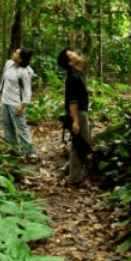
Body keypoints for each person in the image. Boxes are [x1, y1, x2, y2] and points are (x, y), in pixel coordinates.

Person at [57, 48, 90, 185]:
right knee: (80, 145)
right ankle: (75, 179)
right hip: (78, 113)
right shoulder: (73, 77)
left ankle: (68, 168)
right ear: (69, 62)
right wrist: (76, 121)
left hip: (81, 112)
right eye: (71, 54)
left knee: (79, 143)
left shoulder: (77, 73)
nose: (76, 53)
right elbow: (73, 102)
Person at [0, 47, 37, 162]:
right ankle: (13, 150)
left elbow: (27, 90)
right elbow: (3, 80)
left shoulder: (24, 72)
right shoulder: (9, 64)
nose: (13, 53)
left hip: (16, 103)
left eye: (17, 53)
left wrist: (23, 105)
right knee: (7, 126)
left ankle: (30, 153)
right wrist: (0, 90)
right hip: (5, 101)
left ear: (21, 59)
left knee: (21, 128)